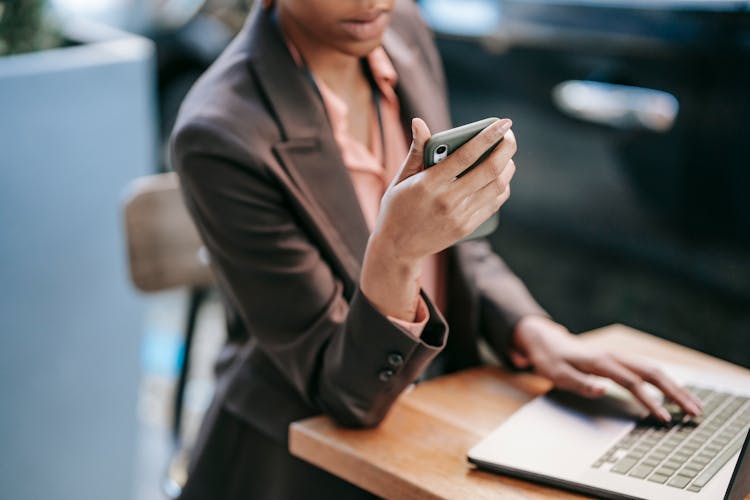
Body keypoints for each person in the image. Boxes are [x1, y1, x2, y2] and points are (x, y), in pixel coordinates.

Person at [169, 0, 702, 498]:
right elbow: (346, 395)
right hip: (299, 457)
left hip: (437, 409)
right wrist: (396, 255)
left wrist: (536, 333)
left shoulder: (400, 31)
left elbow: (458, 249)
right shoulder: (220, 133)